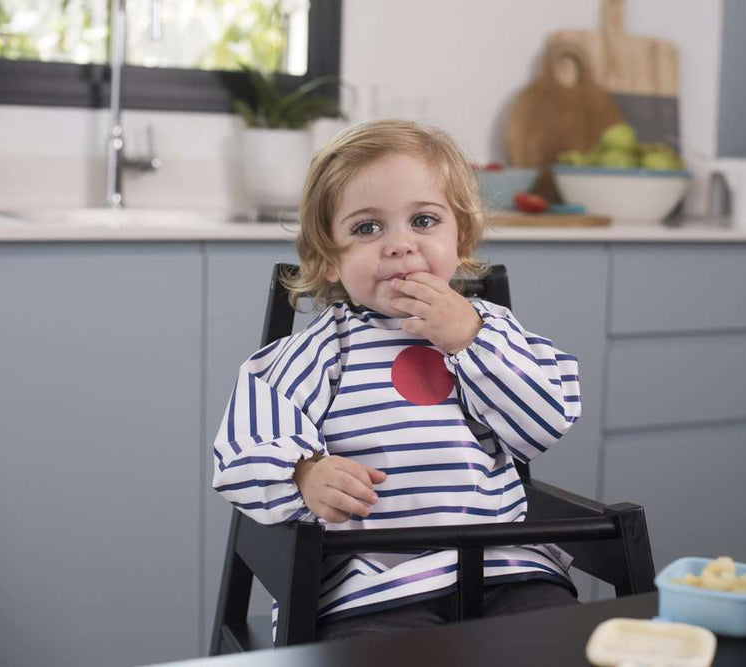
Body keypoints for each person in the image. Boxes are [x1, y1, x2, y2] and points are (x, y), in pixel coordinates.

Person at [212, 119, 582, 642]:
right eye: (367, 228)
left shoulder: (491, 330)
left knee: (558, 642)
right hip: (370, 586)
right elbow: (241, 449)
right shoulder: (323, 350)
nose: (400, 245)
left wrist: (470, 340)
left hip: (504, 568)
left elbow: (546, 424)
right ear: (329, 260)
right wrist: (303, 475)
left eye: (424, 220)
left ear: (461, 239)